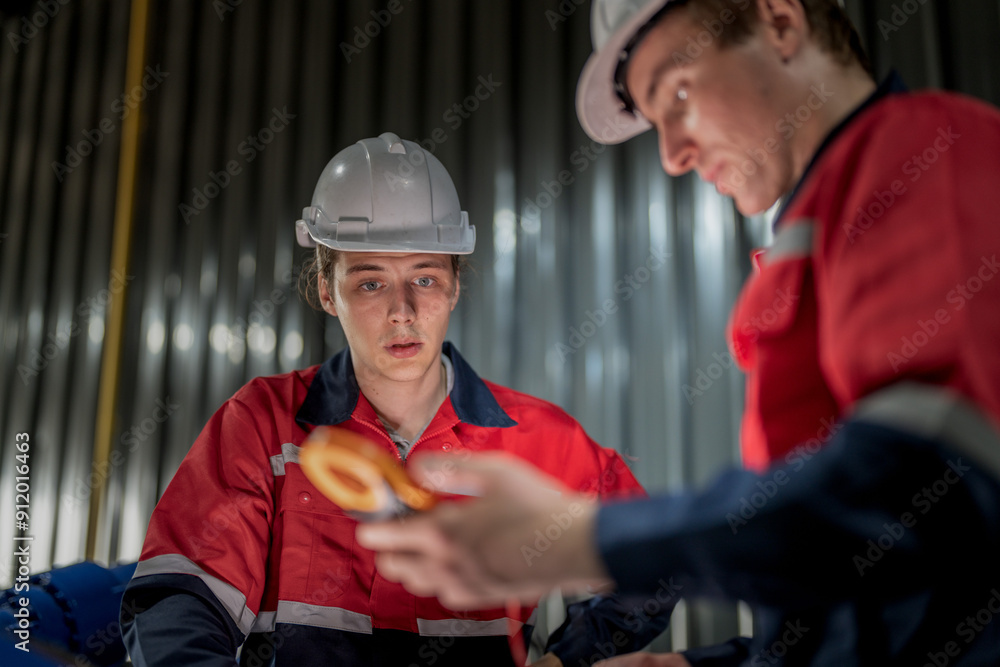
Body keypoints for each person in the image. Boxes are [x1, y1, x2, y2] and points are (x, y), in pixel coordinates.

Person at [356, 1, 1000, 664]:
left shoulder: (927, 151)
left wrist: (579, 537)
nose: (671, 155)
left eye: (678, 94)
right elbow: (864, 591)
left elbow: (922, 496)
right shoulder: (819, 238)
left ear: (780, 21)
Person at [119, 132, 672, 666]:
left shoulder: (535, 438)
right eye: (371, 282)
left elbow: (652, 566)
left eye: (425, 279)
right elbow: (179, 601)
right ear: (325, 291)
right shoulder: (263, 424)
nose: (403, 310)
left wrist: (564, 662)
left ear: (456, 284)